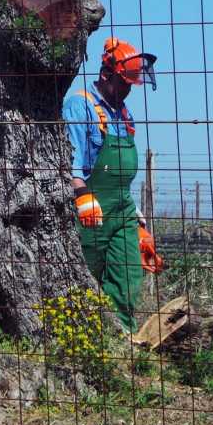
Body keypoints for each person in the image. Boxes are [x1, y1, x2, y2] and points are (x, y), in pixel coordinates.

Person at [64, 36, 162, 331]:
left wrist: (137, 218)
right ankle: (89, 336)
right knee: (85, 278)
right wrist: (81, 194)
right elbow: (69, 158)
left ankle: (124, 339)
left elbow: (121, 175)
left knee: (128, 275)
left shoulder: (123, 113)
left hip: (121, 210)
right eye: (123, 83)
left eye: (131, 85)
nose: (127, 90)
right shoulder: (80, 105)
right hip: (90, 210)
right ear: (106, 75)